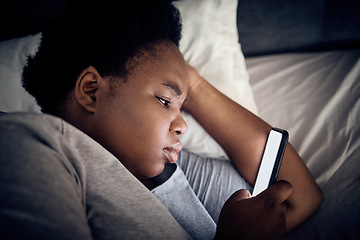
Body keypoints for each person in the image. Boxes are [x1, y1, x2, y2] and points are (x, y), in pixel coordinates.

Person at [0, 0, 322, 239]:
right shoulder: (27, 145)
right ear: (91, 90)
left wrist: (190, 85)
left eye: (182, 107)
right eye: (165, 100)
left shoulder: (166, 173)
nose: (182, 124)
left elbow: (298, 198)